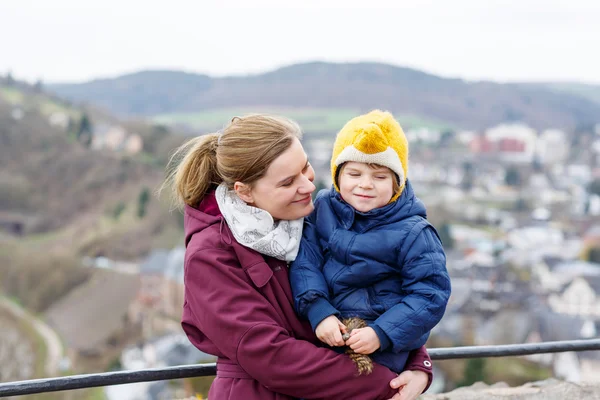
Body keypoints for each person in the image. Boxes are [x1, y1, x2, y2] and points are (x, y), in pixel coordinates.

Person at [162, 114, 434, 400]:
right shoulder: (211, 254)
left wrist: (417, 365)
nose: (308, 186)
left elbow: (378, 292)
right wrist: (386, 384)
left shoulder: (310, 218)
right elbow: (272, 356)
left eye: (305, 168)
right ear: (245, 192)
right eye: (288, 182)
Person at [290, 110, 451, 375]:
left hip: (382, 348)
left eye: (380, 177)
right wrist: (319, 310)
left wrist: (382, 333)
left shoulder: (414, 232)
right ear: (337, 175)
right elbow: (306, 263)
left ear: (397, 183)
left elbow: (430, 295)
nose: (366, 185)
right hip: (325, 331)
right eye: (354, 174)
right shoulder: (321, 210)